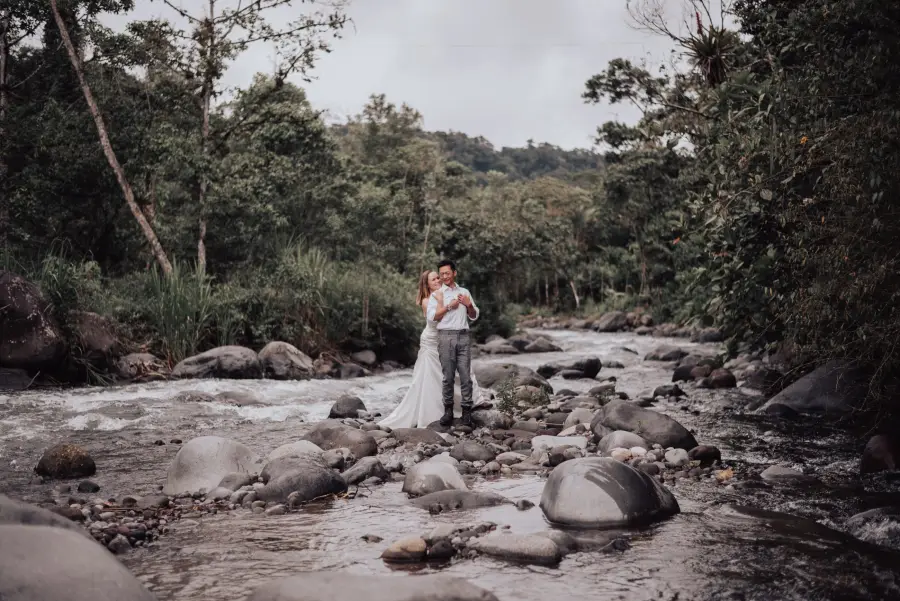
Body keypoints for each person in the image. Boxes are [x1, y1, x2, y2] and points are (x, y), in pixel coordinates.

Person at [378, 270, 482, 429]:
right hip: (431, 341)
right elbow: (436, 319)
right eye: (433, 279)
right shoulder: (427, 300)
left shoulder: (447, 294)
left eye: (438, 277)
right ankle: (431, 413)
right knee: (431, 376)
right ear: (426, 284)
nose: (438, 280)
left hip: (447, 339)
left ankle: (470, 402)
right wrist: (445, 304)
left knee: (455, 371)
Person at [427, 259, 479, 426]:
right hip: (445, 336)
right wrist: (449, 306)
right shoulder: (436, 294)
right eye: (441, 274)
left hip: (463, 336)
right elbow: (432, 317)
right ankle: (448, 411)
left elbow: (473, 315)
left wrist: (469, 305)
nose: (444, 277)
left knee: (466, 376)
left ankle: (466, 412)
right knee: (448, 377)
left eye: (447, 273)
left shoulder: (464, 292)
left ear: (454, 273)